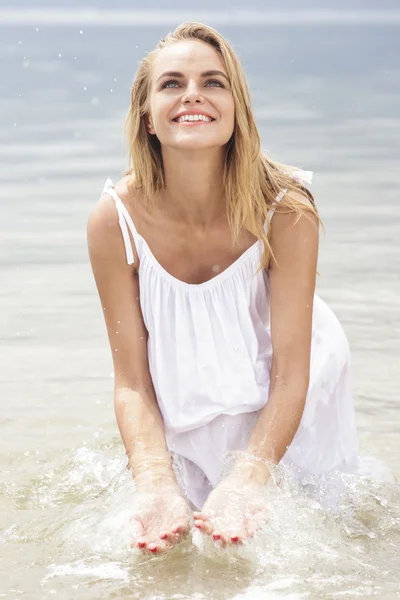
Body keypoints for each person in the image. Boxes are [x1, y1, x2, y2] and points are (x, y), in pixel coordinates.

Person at [87, 22, 360, 555]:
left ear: (237, 110)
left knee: (302, 533)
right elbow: (132, 384)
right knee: (156, 533)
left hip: (287, 384)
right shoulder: (113, 221)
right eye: (172, 84)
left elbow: (289, 375)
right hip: (187, 383)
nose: (193, 94)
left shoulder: (286, 210)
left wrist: (251, 475)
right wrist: (153, 480)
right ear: (147, 117)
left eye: (213, 82)